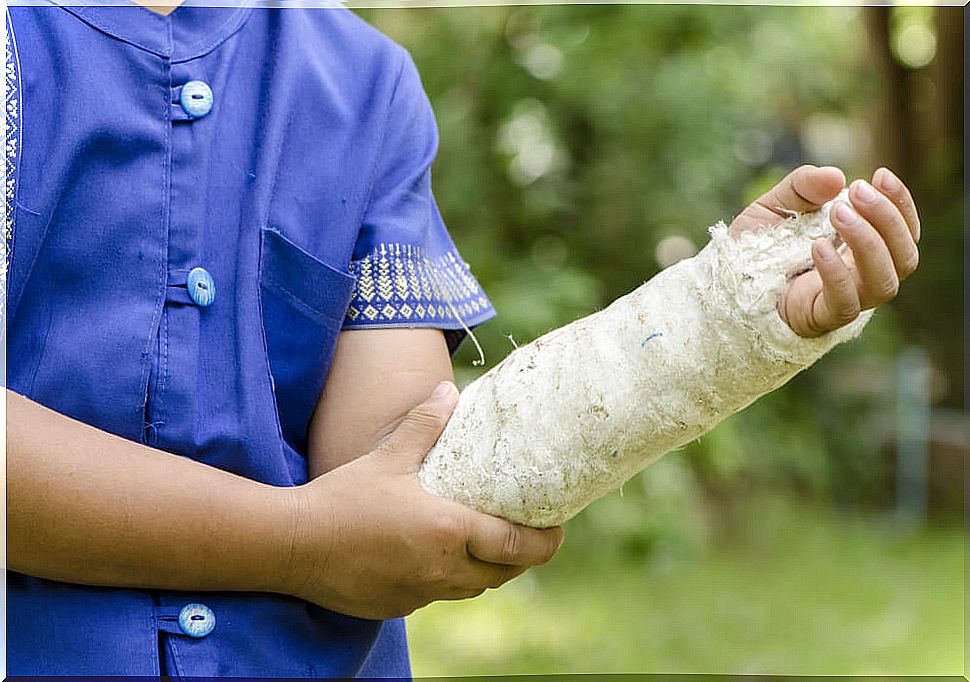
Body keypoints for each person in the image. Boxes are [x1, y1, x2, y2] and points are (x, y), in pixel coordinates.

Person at [4, 1, 920, 677]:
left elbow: (408, 482)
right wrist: (291, 541)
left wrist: (733, 310)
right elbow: (330, 530)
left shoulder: (367, 84)